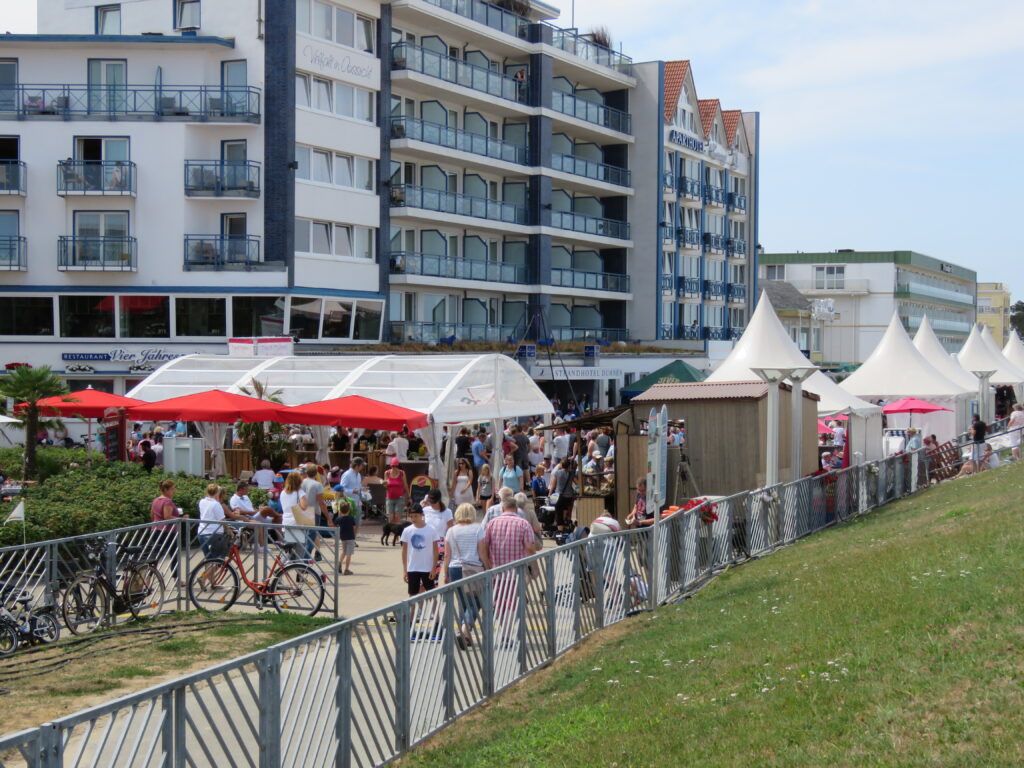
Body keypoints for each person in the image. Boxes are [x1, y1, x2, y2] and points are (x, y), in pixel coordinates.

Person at [443, 502, 489, 649]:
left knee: (463, 603)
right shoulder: (478, 529)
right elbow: (482, 552)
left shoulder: (451, 531)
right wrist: (488, 567)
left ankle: (466, 635)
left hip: (454, 568)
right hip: (473, 568)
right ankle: (464, 629)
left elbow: (447, 555)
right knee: (476, 602)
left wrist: (445, 573)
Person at [483, 497, 538, 568]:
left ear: (502, 509)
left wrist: (487, 566)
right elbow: (529, 548)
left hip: (496, 572)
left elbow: (484, 546)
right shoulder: (524, 524)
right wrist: (535, 567)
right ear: (517, 509)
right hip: (518, 572)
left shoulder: (491, 523)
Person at [401, 507, 440, 596]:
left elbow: (435, 550)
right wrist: (404, 570)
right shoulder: (407, 531)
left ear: (422, 515)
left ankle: (432, 610)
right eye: (411, 516)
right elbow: (404, 551)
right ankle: (414, 610)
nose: (414, 519)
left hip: (427, 568)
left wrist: (434, 568)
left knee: (431, 594)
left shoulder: (431, 530)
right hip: (413, 568)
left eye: (416, 516)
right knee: (413, 594)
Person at [279, 471, 310, 550]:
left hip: (286, 522)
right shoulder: (300, 492)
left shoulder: (283, 492)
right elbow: (304, 507)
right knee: (299, 550)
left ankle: (285, 562)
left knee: (289, 550)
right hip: (297, 523)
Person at [337, 458, 364, 535]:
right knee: (347, 524)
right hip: (348, 503)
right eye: (361, 465)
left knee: (357, 523)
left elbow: (359, 486)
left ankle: (353, 539)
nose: (362, 467)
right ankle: (345, 540)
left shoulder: (358, 475)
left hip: (358, 502)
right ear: (357, 466)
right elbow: (342, 488)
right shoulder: (347, 474)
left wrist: (363, 490)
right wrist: (352, 491)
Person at [549, 458, 576, 532]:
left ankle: (560, 531)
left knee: (558, 513)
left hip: (559, 496)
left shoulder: (557, 473)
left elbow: (553, 485)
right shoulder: (571, 473)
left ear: (562, 464)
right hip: (568, 496)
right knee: (565, 511)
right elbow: (577, 483)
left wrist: (550, 494)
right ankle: (564, 526)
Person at [384, 457, 410, 523]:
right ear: (390, 466)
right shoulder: (387, 473)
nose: (394, 467)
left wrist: (409, 496)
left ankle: (396, 532)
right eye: (393, 466)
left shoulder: (402, 473)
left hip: (400, 498)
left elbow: (405, 485)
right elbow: (385, 486)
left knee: (397, 518)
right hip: (390, 497)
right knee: (391, 518)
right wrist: (385, 484)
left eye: (395, 466)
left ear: (398, 466)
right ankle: (391, 532)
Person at [335, 499, 357, 575]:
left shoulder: (338, 519)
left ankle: (339, 564)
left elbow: (335, 527)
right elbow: (354, 528)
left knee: (344, 552)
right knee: (349, 554)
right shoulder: (351, 518)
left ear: (340, 510)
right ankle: (346, 569)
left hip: (342, 537)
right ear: (348, 511)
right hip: (350, 537)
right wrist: (354, 536)